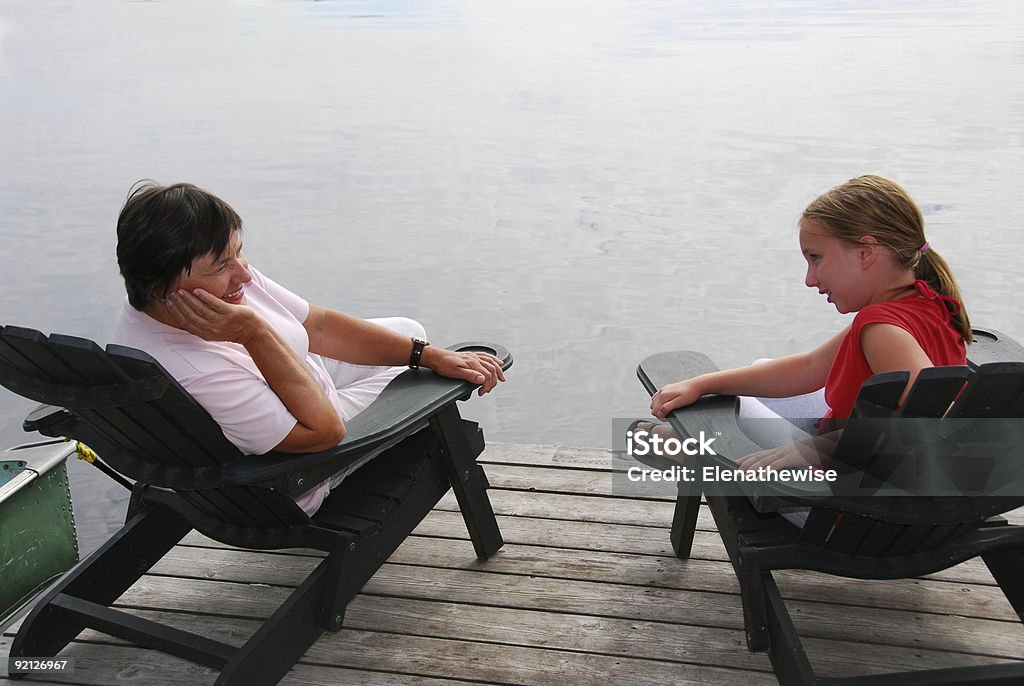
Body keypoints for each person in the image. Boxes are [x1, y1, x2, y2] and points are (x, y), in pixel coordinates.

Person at [113, 181, 506, 516]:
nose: (244, 274)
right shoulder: (192, 369)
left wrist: (428, 353)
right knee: (422, 387)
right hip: (300, 470)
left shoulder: (192, 295)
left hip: (296, 386)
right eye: (220, 265)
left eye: (238, 251)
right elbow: (324, 433)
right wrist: (252, 331)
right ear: (163, 288)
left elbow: (315, 325)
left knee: (411, 335)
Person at [646, 174, 971, 472]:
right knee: (754, 373)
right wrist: (703, 384)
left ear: (865, 252)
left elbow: (934, 421)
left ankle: (686, 451)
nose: (809, 279)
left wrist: (819, 448)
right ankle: (682, 444)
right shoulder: (930, 301)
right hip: (874, 475)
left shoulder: (881, 329)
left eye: (816, 258)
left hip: (838, 497)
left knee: (689, 426)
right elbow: (810, 367)